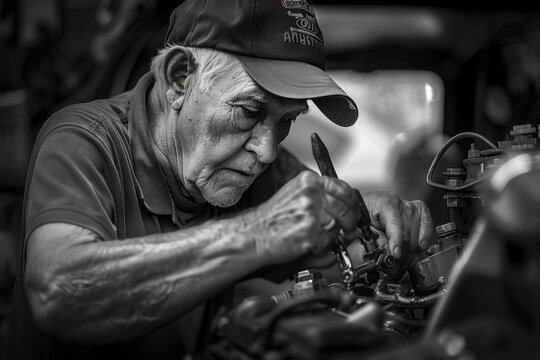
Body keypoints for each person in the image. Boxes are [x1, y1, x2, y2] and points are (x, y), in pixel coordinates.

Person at [8, 0, 433, 359]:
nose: (267, 151)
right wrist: (260, 232)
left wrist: (377, 223)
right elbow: (60, 291)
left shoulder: (251, 163)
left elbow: (348, 251)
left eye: (286, 121)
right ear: (179, 79)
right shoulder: (83, 141)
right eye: (249, 112)